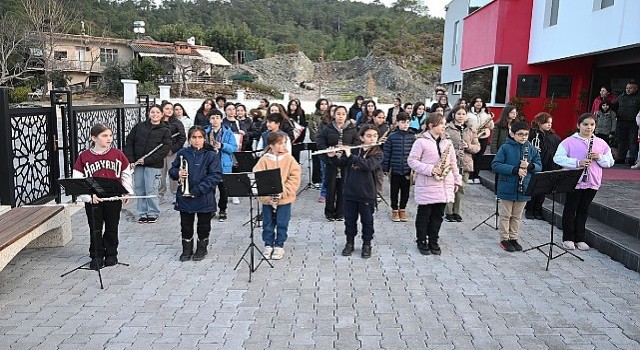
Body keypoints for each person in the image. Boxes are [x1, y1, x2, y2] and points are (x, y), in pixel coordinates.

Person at [73, 124, 134, 270]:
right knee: (95, 228)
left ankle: (111, 254)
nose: (109, 139)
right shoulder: (84, 156)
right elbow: (78, 178)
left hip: (113, 196)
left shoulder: (117, 154)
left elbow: (125, 173)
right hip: (93, 197)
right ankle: (96, 255)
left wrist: (127, 191)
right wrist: (87, 196)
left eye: (110, 135)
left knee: (112, 226)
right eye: (104, 136)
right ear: (94, 138)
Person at [553, 113, 614, 251]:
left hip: (592, 181)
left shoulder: (601, 143)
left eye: (592, 125)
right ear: (578, 125)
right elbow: (557, 158)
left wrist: (599, 157)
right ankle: (568, 238)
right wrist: (577, 162)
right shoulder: (569, 141)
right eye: (585, 124)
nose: (589, 127)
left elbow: (610, 162)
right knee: (571, 208)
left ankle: (580, 238)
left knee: (584, 209)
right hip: (574, 181)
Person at [408, 113, 462, 256]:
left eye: (444, 123)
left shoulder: (447, 142)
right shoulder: (420, 142)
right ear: (431, 126)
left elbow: (453, 163)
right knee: (424, 216)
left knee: (438, 216)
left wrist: (457, 180)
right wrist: (430, 169)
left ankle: (433, 241)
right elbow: (412, 161)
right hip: (427, 184)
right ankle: (421, 241)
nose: (444, 126)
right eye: (441, 124)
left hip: (444, 184)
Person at [169, 126, 223, 261]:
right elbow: (172, 170)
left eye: (200, 137)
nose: (197, 140)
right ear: (189, 139)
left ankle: (201, 248)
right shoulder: (183, 153)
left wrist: (197, 190)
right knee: (186, 225)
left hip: (203, 196)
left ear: (204, 139)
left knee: (203, 225)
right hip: (185, 196)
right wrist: (177, 173)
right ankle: (186, 249)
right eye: (194, 137)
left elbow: (215, 176)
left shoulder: (211, 155)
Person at [330, 124, 383, 259]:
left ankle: (366, 244)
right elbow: (341, 164)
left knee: (367, 221)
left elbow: (368, 165)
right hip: (350, 192)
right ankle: (349, 243)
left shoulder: (378, 153)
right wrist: (333, 156)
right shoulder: (354, 151)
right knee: (349, 220)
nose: (372, 139)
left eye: (375, 136)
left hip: (367, 194)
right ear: (361, 137)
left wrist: (350, 156)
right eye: (369, 136)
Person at [491, 121, 542, 252]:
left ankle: (513, 238)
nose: (524, 137)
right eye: (520, 134)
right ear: (512, 134)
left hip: (524, 187)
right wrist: (514, 170)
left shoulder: (530, 148)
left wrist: (530, 166)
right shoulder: (505, 148)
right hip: (507, 185)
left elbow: (539, 166)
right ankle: (504, 239)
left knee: (517, 216)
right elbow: (495, 165)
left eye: (526, 134)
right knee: (506, 215)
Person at [253, 132, 302, 260]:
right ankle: (268, 244)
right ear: (271, 145)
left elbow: (295, 177)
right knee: (268, 223)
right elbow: (257, 177)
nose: (283, 146)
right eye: (280, 144)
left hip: (284, 199)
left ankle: (279, 245)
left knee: (282, 222)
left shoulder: (289, 159)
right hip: (268, 199)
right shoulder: (264, 159)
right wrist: (267, 194)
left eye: (284, 143)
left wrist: (283, 191)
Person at [124, 105, 171, 224]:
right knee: (139, 189)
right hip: (138, 164)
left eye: (157, 112)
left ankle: (153, 213)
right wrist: (131, 159)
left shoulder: (165, 130)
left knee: (151, 189)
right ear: (149, 114)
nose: (155, 115)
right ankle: (142, 213)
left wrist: (146, 160)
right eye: (152, 112)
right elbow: (129, 141)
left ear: (161, 115)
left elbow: (164, 149)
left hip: (153, 165)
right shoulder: (139, 126)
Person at [316, 105, 359, 221]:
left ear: (346, 115)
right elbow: (320, 143)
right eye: (338, 114)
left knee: (343, 188)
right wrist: (329, 152)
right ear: (334, 115)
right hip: (331, 163)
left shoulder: (352, 129)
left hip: (345, 163)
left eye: (343, 114)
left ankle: (341, 212)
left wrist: (347, 149)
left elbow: (356, 145)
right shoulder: (327, 129)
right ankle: (329, 212)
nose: (340, 116)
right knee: (331, 188)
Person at [444, 106, 480, 223]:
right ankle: (448, 212)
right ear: (454, 115)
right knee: (449, 187)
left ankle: (457, 212)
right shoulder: (447, 128)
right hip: (450, 163)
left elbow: (477, 147)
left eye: (463, 114)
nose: (461, 116)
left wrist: (468, 146)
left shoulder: (470, 129)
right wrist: (454, 151)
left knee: (461, 188)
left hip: (465, 163)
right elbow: (442, 146)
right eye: (458, 114)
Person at [524, 112, 562, 220]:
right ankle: (530, 210)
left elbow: (559, 150)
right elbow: (524, 146)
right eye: (546, 122)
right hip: (535, 164)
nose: (549, 125)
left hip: (548, 165)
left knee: (542, 190)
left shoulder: (554, 137)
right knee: (533, 188)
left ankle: (538, 210)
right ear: (539, 123)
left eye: (550, 123)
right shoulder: (532, 134)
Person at [204, 110, 237, 222]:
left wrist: (222, 145)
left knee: (224, 190)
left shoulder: (227, 132)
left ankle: (222, 210)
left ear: (221, 119)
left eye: (217, 117)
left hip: (224, 165)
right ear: (209, 120)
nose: (215, 120)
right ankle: (211, 209)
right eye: (212, 118)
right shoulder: (205, 132)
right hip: (209, 165)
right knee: (210, 189)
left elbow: (234, 148)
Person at [382, 112, 415, 222]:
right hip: (395, 169)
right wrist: (385, 168)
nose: (405, 124)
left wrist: (414, 169)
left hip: (407, 169)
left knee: (406, 192)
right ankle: (394, 210)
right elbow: (386, 153)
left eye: (407, 122)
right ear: (397, 123)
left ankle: (403, 209)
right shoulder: (392, 137)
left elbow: (415, 154)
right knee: (394, 191)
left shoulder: (412, 137)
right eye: (402, 122)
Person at [158, 101, 187, 202]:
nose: (170, 111)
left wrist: (173, 149)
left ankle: (175, 193)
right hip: (160, 153)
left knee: (173, 173)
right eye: (167, 109)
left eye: (171, 109)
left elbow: (182, 138)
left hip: (172, 152)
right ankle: (160, 194)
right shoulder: (157, 121)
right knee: (160, 175)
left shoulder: (177, 122)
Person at [466, 97, 493, 183]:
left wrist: (489, 124)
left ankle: (476, 175)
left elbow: (492, 126)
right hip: (472, 137)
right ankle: (470, 176)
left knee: (480, 157)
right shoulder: (468, 113)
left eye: (481, 101)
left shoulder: (486, 114)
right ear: (473, 103)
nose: (479, 103)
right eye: (477, 101)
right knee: (472, 156)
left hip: (483, 136)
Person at [308, 98, 330, 195]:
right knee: (316, 162)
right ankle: (316, 180)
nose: (324, 106)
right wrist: (317, 139)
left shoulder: (330, 116)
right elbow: (312, 128)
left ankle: (325, 180)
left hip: (327, 143)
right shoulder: (314, 116)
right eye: (322, 104)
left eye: (325, 104)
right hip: (316, 142)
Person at [615, 81, 640, 166]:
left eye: (630, 88)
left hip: (634, 123)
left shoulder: (638, 98)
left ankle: (631, 158)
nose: (628, 90)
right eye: (627, 88)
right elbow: (615, 107)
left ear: (635, 89)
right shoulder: (620, 97)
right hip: (621, 122)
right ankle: (621, 158)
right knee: (621, 141)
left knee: (633, 141)